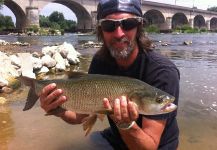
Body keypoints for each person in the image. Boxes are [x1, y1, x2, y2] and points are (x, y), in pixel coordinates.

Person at [39, 0, 180, 149]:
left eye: (128, 23)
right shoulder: (100, 62)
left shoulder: (163, 72)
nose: (119, 33)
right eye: (109, 25)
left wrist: (126, 124)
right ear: (101, 30)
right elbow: (80, 116)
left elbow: (149, 147)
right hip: (117, 137)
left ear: (139, 27)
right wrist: (57, 109)